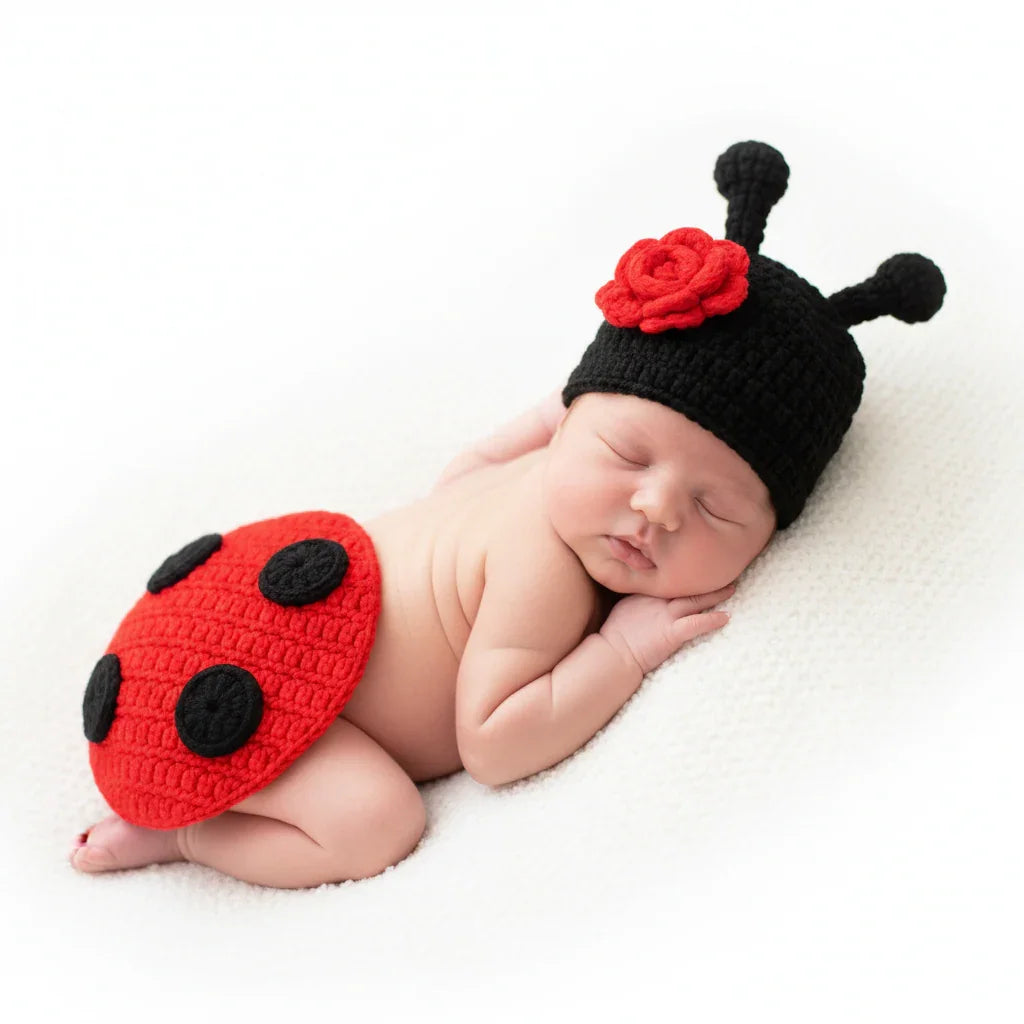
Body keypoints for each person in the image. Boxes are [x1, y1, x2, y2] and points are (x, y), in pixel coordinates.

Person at [69, 140, 945, 888]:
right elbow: (490, 743)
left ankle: (194, 813)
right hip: (266, 705)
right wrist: (620, 651)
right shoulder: (545, 567)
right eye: (627, 456)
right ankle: (188, 830)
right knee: (377, 823)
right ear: (578, 417)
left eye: (715, 508)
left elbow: (467, 469)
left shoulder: (534, 468)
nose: (654, 510)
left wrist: (555, 424)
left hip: (223, 632)